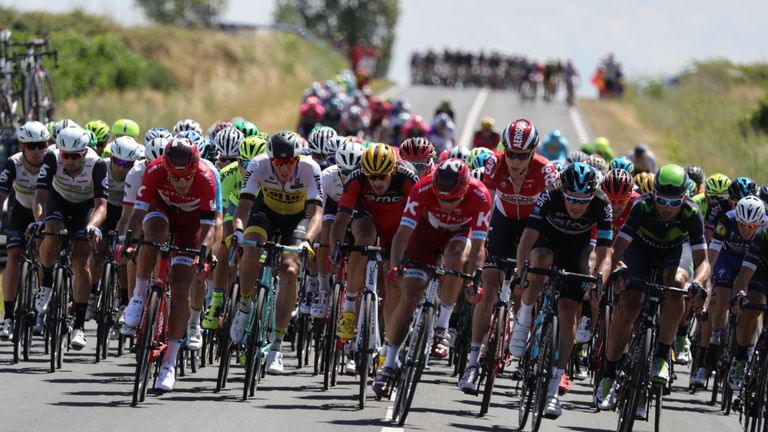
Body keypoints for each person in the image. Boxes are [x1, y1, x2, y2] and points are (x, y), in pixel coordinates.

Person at [596, 164, 710, 416]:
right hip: (641, 250)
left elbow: (703, 262)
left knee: (677, 283)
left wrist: (699, 284)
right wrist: (619, 269)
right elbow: (619, 249)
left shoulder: (692, 214)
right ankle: (609, 375)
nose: (666, 208)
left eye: (674, 203)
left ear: (685, 198)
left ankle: (660, 356)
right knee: (630, 302)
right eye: (662, 201)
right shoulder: (642, 207)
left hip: (674, 253)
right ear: (654, 194)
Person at [373, 158, 491, 396]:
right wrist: (396, 267)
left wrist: (473, 280)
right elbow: (402, 235)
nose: (446, 205)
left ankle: (442, 326)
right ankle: (389, 363)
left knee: (457, 257)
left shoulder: (480, 196)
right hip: (425, 233)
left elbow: (478, 248)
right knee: (409, 295)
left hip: (458, 234)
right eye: (441, 199)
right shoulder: (423, 188)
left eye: (452, 200)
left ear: (465, 189)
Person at [459, 118, 558, 391]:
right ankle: (473, 360)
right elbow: (484, 204)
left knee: (527, 280)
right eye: (511, 154)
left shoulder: (546, 172)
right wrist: (480, 243)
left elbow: (553, 217)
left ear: (533, 152)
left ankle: (523, 321)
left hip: (534, 227)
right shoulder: (493, 163)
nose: (515, 161)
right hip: (502, 222)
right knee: (489, 286)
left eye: (522, 155)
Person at [513, 162, 613, 417]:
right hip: (546, 241)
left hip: (575, 250)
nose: (576, 206)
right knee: (541, 262)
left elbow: (604, 252)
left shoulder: (602, 204)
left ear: (592, 196)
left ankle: (554, 388)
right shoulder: (551, 194)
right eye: (571, 199)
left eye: (583, 201)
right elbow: (526, 239)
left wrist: (598, 279)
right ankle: (524, 318)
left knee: (569, 314)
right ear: (563, 191)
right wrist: (520, 271)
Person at [122, 137, 217, 391]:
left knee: (181, 286)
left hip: (191, 224)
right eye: (175, 177)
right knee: (152, 233)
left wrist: (203, 254)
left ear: (195, 169)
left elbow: (210, 227)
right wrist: (130, 241)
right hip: (161, 211)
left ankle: (169, 363)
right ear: (165, 168)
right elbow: (138, 212)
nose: (181, 183)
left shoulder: (206, 178)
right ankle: (139, 297)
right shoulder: (154, 170)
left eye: (186, 178)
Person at [229, 131, 322, 374]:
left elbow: (316, 215)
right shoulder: (258, 165)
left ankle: (277, 347)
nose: (284, 168)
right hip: (266, 213)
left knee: (290, 269)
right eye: (279, 163)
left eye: (289, 161)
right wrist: (238, 232)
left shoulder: (310, 169)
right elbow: (242, 209)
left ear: (298, 160)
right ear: (270, 160)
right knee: (250, 247)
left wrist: (308, 242)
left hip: (297, 219)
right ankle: (245, 305)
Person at [330, 144, 419, 371]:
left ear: (392, 171)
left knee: (392, 285)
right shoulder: (357, 179)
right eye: (372, 177)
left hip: (397, 230)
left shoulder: (407, 178)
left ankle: (388, 347)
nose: (377, 182)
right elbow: (340, 220)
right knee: (364, 237)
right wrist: (336, 249)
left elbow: (421, 218)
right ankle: (349, 307)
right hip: (367, 219)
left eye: (382, 177)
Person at [33, 126, 108, 351]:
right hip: (58, 201)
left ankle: (78, 326)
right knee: (51, 233)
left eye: (75, 156)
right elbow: (40, 196)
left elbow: (102, 206)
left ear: (84, 153)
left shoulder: (97, 164)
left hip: (84, 209)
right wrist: (39, 221)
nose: (69, 161)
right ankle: (46, 283)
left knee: (82, 260)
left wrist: (93, 227)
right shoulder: (51, 158)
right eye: (65, 155)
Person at [691, 196, 766, 388]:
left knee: (755, 304)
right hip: (728, 261)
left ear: (761, 222)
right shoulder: (726, 221)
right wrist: (707, 293)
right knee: (722, 298)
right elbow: (712, 260)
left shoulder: (763, 230)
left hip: (755, 263)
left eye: (752, 226)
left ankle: (749, 347)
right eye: (742, 225)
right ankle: (715, 340)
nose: (746, 230)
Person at [0, 121, 50, 340]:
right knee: (13, 257)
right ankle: (9, 316)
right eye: (32, 146)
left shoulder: (53, 161)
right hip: (20, 212)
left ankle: (41, 306)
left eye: (41, 145)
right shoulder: (13, 163)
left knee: (43, 252)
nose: (37, 150)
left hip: (46, 212)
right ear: (22, 147)